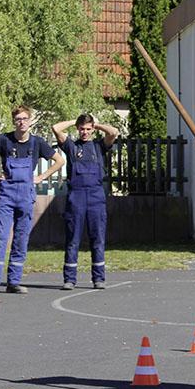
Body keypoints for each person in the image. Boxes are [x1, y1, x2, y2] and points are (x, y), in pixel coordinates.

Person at [0, 105, 64, 295]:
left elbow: (60, 161)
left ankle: (14, 281)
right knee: (0, 237)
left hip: (26, 195)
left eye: (25, 118)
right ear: (13, 121)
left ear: (30, 120)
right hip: (7, 194)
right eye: (18, 119)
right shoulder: (4, 140)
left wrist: (41, 177)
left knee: (21, 238)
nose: (22, 122)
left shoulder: (37, 143)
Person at [51, 114, 119, 290]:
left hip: (96, 197)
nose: (85, 132)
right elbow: (56, 128)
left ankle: (99, 278)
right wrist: (75, 121)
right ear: (77, 129)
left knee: (97, 238)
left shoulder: (99, 146)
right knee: (73, 238)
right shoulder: (71, 146)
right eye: (82, 129)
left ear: (93, 129)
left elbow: (114, 132)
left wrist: (97, 125)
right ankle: (69, 279)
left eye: (88, 129)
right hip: (76, 197)